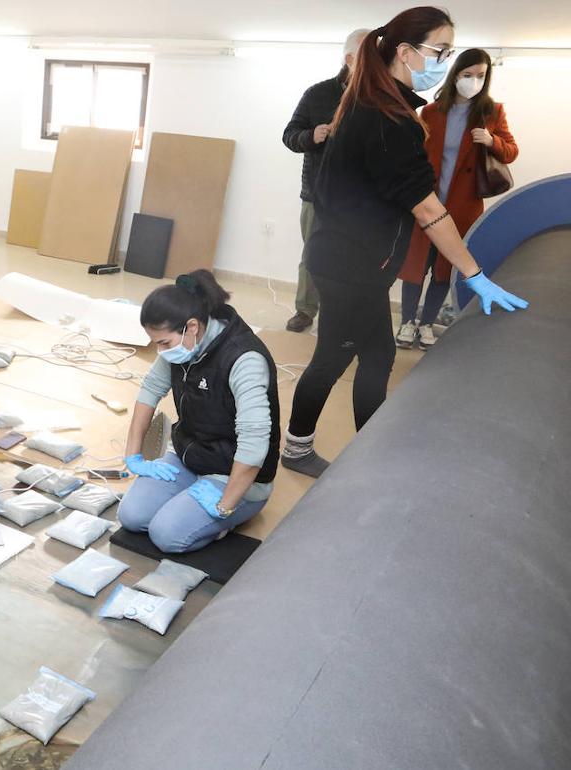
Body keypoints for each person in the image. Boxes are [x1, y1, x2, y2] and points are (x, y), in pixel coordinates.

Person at [280, 7, 528, 478]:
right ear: (406, 51)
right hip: (351, 265)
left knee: (369, 355)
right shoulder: (387, 119)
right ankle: (323, 453)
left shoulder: (375, 103)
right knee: (346, 356)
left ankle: (348, 452)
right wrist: (474, 274)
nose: (446, 62)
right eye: (441, 51)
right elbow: (429, 210)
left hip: (349, 259)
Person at [118, 271, 280, 553]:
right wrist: (134, 456)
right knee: (131, 516)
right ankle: (189, 502)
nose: (160, 351)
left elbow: (254, 443)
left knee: (166, 534)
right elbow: (150, 391)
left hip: (233, 473)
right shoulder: (180, 347)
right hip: (190, 456)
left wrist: (224, 506)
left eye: (163, 343)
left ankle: (227, 518)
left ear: (191, 327)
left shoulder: (244, 359)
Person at [395, 48, 518, 350]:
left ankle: (427, 324)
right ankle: (407, 322)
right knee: (416, 266)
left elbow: (511, 151)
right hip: (427, 200)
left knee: (445, 269)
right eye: (467, 74)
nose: (474, 80)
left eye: (480, 75)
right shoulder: (432, 111)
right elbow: (414, 152)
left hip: (464, 205)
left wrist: (492, 140)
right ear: (455, 75)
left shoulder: (492, 112)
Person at [281, 28, 371, 333]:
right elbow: (290, 135)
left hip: (360, 200)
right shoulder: (317, 94)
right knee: (313, 255)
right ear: (350, 59)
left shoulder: (378, 99)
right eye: (369, 55)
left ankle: (341, 314)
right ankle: (305, 310)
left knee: (351, 259)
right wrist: (312, 135)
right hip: (317, 195)